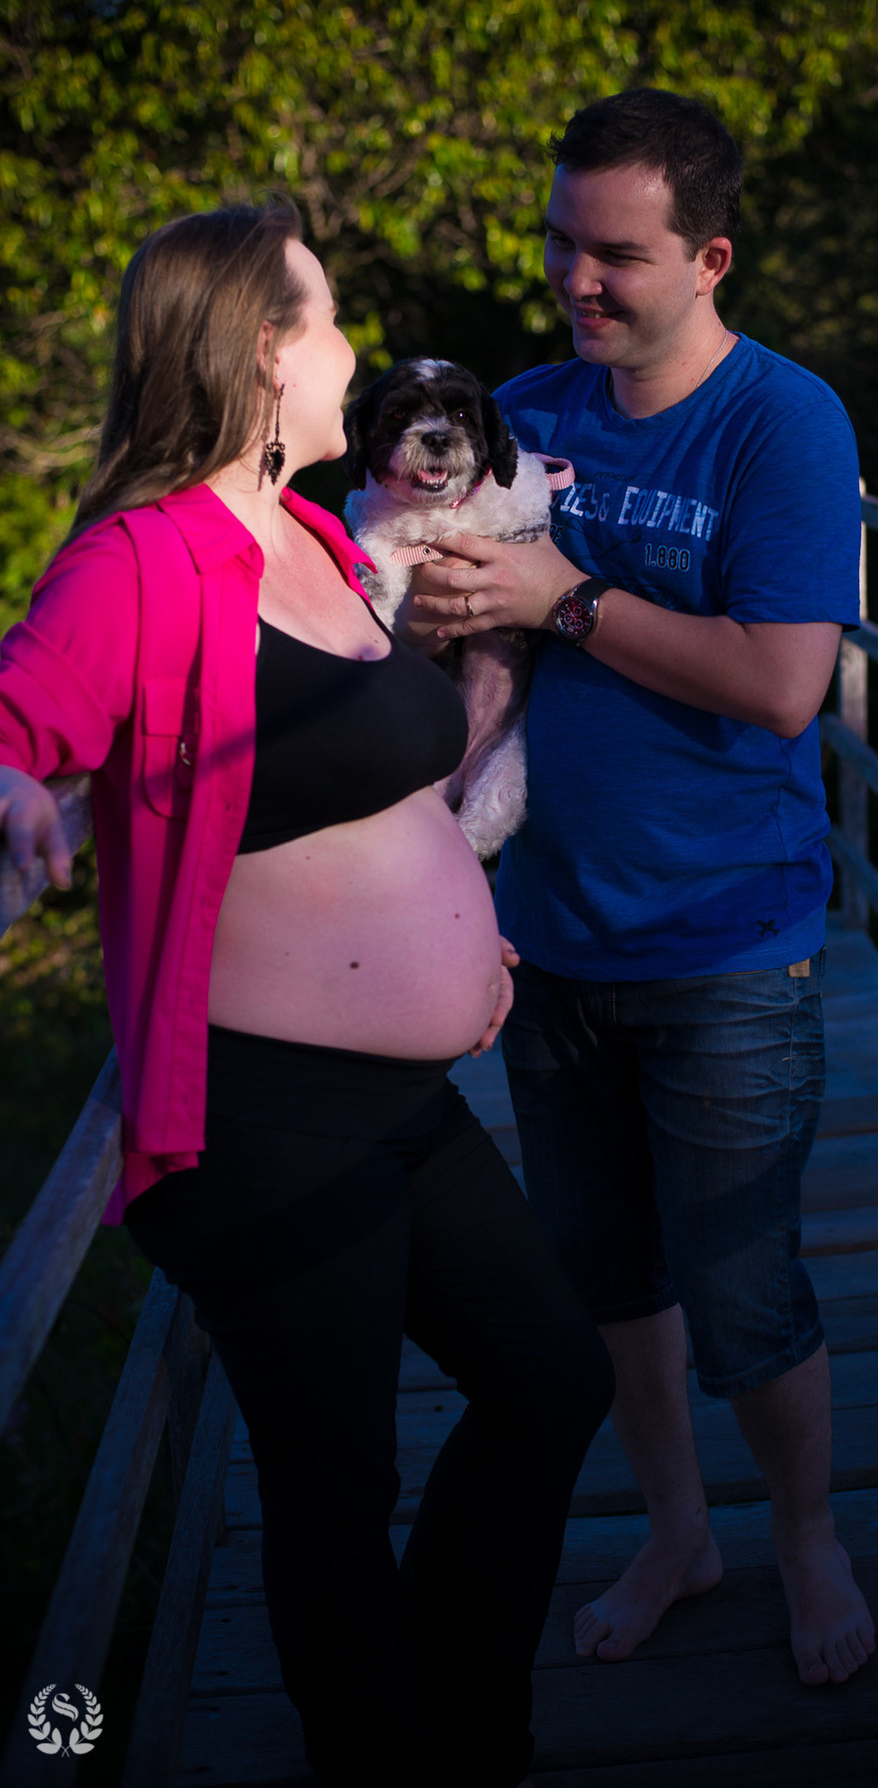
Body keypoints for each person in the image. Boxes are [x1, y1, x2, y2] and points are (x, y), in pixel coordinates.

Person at [0, 201, 613, 1787]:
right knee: (338, 1484)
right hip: (266, 1118)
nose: (354, 343)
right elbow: (18, 714)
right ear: (266, 354)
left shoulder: (331, 539)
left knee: (553, 1376)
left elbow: (388, 788)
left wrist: (460, 945)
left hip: (407, 1100)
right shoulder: (143, 559)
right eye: (330, 317)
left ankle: (447, 1730)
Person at [410, 88, 877, 1689]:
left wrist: (564, 593)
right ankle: (679, 1528)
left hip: (728, 943)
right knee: (607, 1283)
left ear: (712, 256)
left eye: (616, 254)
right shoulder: (525, 411)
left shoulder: (784, 423)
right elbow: (431, 606)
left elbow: (781, 685)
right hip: (544, 938)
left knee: (744, 1289)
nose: (575, 279)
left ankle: (807, 1537)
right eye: (561, 241)